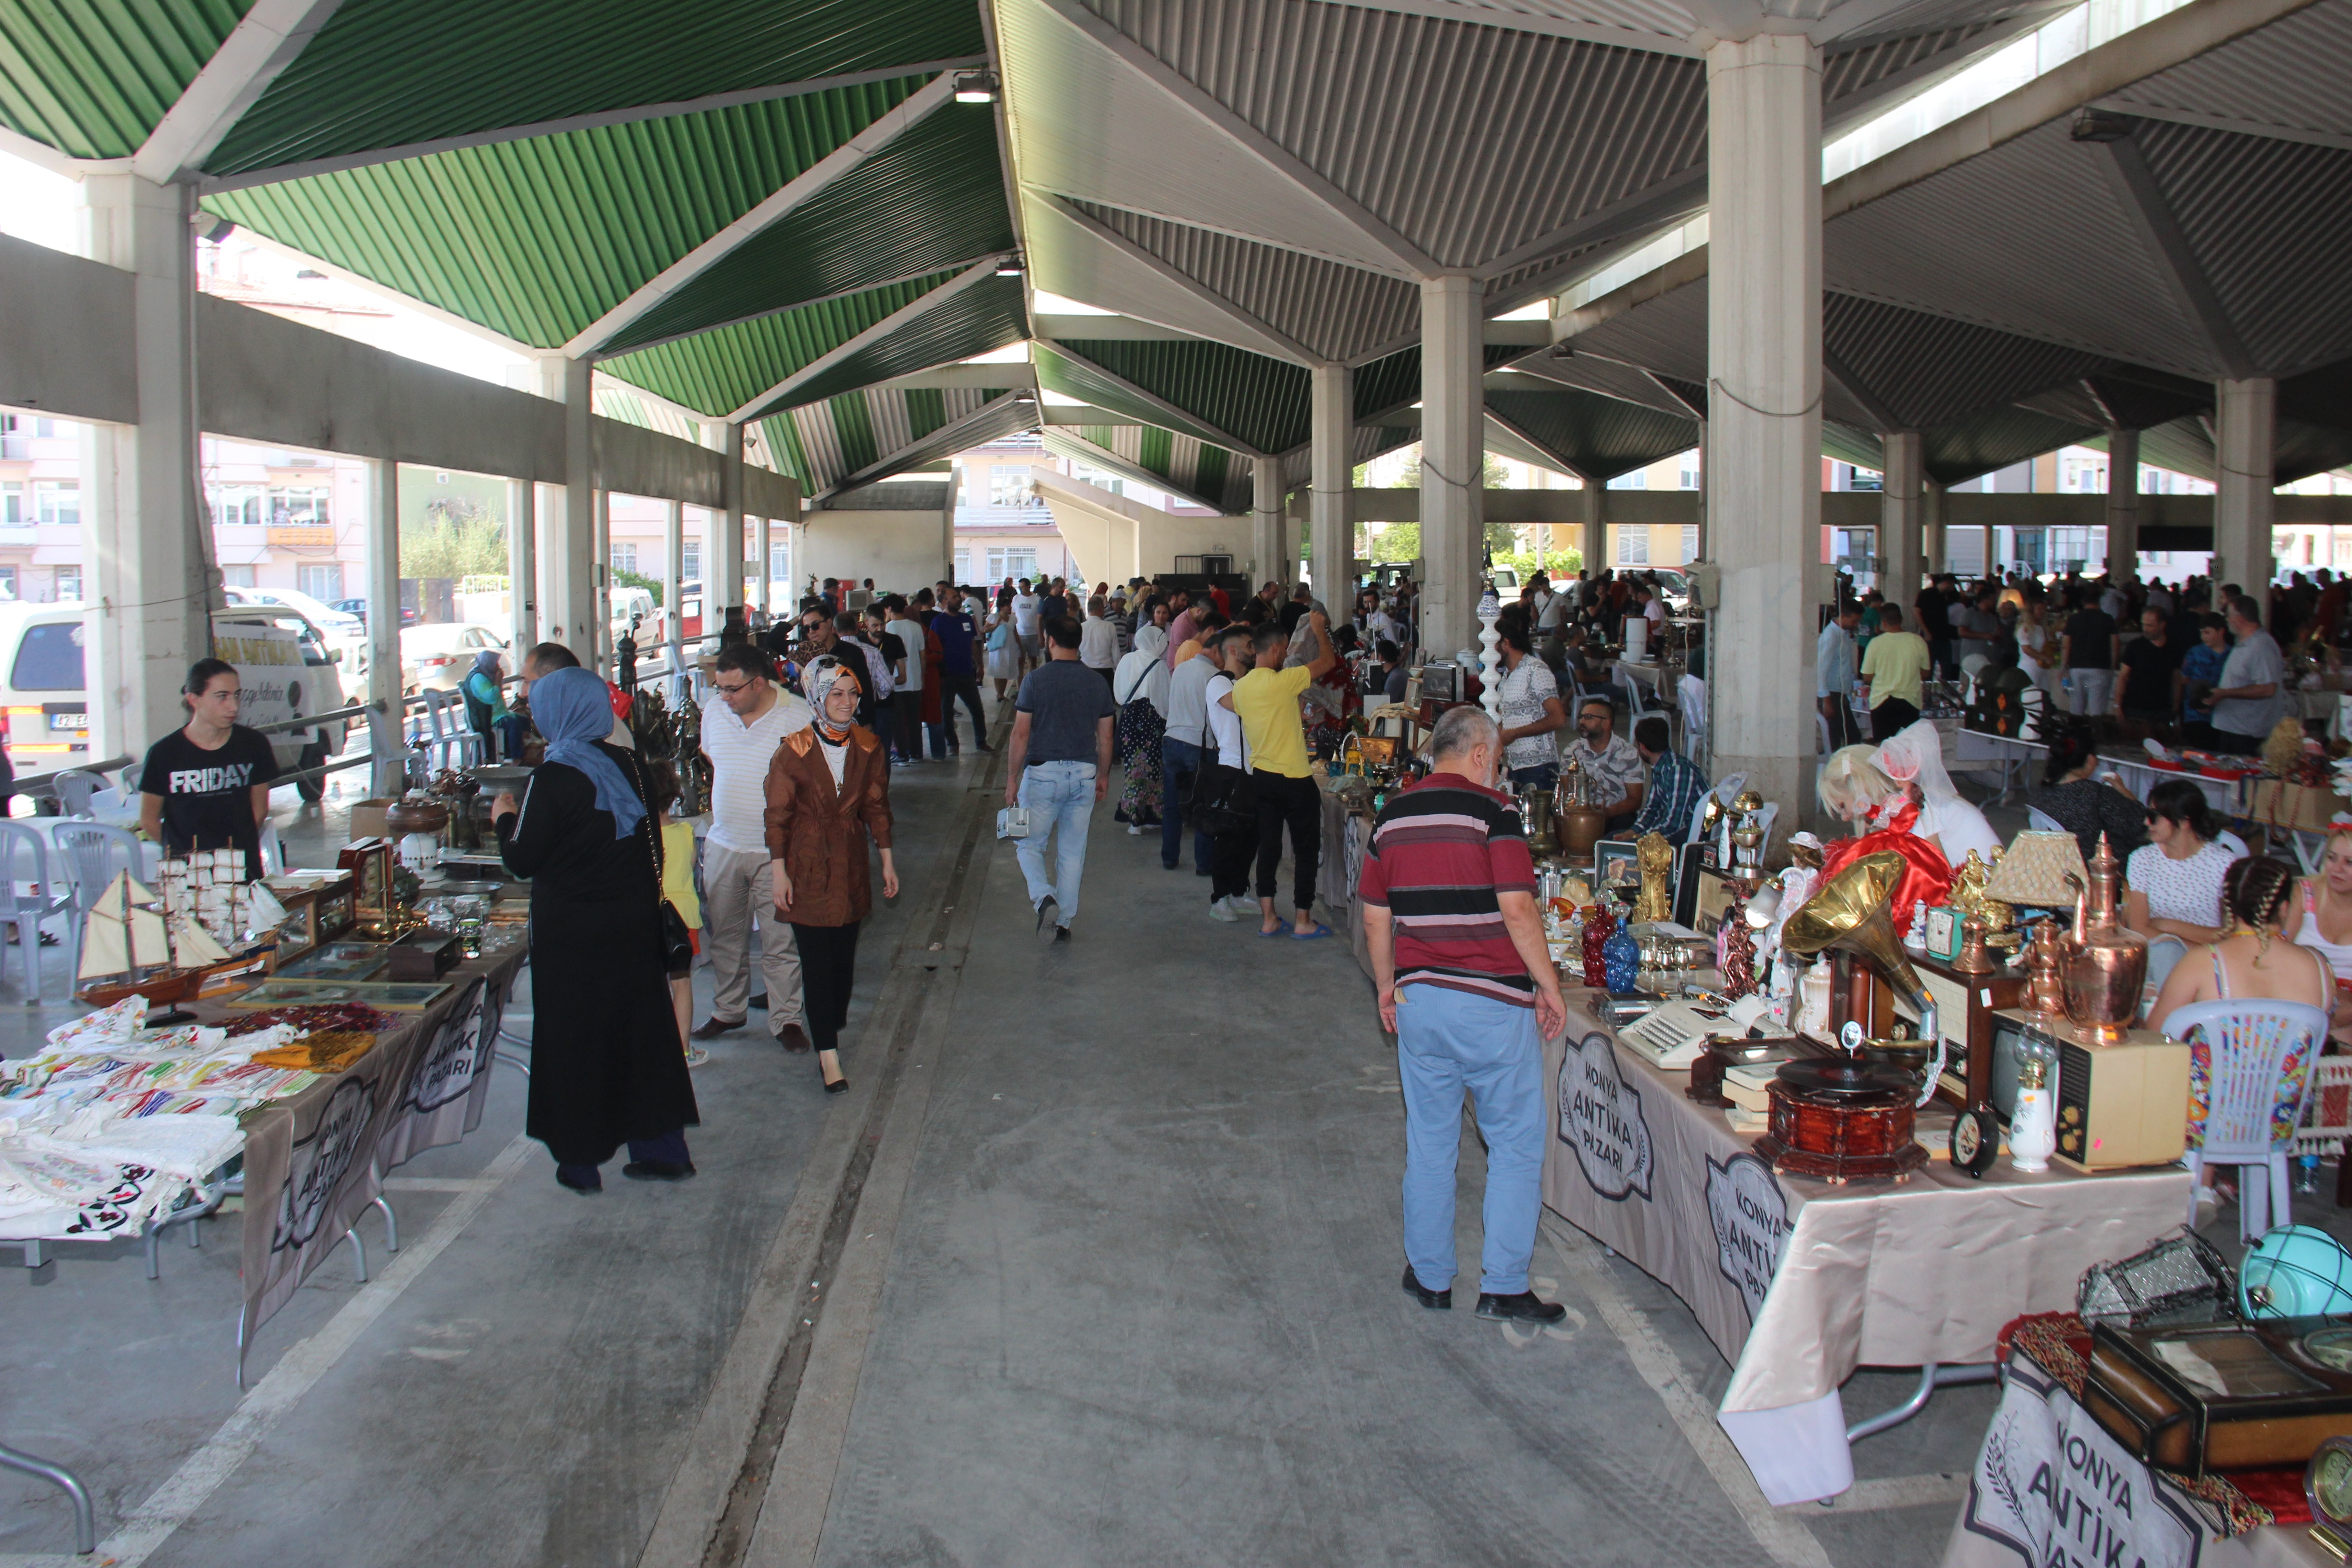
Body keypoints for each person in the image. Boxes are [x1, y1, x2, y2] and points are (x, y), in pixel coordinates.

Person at [1359, 705, 1569, 1326]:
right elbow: (1519, 910)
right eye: (1498, 759)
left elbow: (1376, 915)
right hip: (1492, 1006)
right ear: (1479, 753)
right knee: (1512, 1143)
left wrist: (1387, 986)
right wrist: (1549, 986)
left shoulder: (1391, 816)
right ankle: (1503, 1284)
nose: (1497, 771)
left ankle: (1429, 1276)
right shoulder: (1495, 813)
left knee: (1429, 1141)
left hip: (1420, 1003)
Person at [490, 667, 698, 1191]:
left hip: (574, 938)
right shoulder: (628, 763)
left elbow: (523, 858)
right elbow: (646, 839)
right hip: (630, 926)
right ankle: (662, 1150)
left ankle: (581, 1162)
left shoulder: (553, 777)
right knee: (641, 1035)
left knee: (575, 1041)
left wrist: (503, 817)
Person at [2149, 856, 2333, 1215]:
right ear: (2283, 907)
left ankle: (2184, 1187)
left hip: (2203, 1120)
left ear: (2227, 905)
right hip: (2276, 1119)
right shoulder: (2318, 967)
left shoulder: (2206, 961)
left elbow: (2155, 1034)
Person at [762, 655, 897, 1096]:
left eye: (853, 693)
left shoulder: (868, 746)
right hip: (806, 864)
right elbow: (777, 817)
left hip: (850, 862)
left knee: (842, 965)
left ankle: (829, 1022)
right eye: (836, 693)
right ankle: (828, 1055)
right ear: (817, 696)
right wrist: (779, 873)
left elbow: (876, 806)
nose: (846, 702)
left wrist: (887, 858)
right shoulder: (793, 750)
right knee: (816, 965)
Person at [692, 640, 813, 1050]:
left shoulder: (797, 715)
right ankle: (728, 1010)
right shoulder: (715, 712)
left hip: (775, 852)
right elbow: (712, 758)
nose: (722, 698)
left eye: (731, 690)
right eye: (719, 688)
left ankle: (786, 1020)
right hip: (724, 843)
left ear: (759, 684)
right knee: (726, 935)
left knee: (780, 941)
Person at [1004, 616, 1117, 944]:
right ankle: (1063, 923)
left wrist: (1012, 780)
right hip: (1084, 774)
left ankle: (1043, 898)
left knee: (1028, 844)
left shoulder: (1035, 681)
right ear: (1078, 642)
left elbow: (1021, 733)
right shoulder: (1097, 682)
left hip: (1041, 775)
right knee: (1072, 852)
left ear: (1049, 640)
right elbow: (1107, 738)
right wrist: (1105, 776)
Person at [1233, 612, 1339, 939]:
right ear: (1278, 650)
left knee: (1269, 848)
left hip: (1261, 777)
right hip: (1294, 778)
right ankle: (1304, 920)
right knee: (1306, 849)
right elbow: (1328, 661)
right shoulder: (1286, 680)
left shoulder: (1240, 688)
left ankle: (1269, 919)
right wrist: (1319, 629)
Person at [139, 659, 279, 881]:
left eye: (236, 695)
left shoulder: (254, 745)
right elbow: (148, 819)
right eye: (222, 697)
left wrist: (238, 845)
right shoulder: (164, 754)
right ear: (194, 699)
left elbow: (259, 809)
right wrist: (179, 851)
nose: (233, 706)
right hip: (188, 873)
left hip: (242, 867)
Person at [644, 762, 707, 1068]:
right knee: (681, 984)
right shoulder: (686, 833)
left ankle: (652, 1049)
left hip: (648, 919)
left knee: (649, 987)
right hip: (683, 920)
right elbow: (691, 868)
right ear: (674, 796)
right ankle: (683, 1051)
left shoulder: (639, 838)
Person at [2124, 779, 2239, 944]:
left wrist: (2168, 925)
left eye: (2154, 817)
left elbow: (2228, 933)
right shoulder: (2143, 859)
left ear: (2185, 822)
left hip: (2206, 960)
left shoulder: (2223, 862)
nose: (2147, 822)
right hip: (2163, 956)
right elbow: (2139, 929)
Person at [2024, 721, 2148, 864]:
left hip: (2057, 863)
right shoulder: (2096, 794)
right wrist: (2123, 790)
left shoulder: (2040, 793)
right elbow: (2141, 824)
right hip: (2097, 867)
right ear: (2090, 759)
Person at [1201, 625, 1259, 919]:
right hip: (1232, 769)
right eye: (1250, 645)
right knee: (1228, 838)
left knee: (1251, 837)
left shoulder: (1252, 682)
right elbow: (1240, 706)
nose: (1255, 650)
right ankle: (1219, 899)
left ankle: (1239, 891)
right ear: (1233, 651)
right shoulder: (1219, 683)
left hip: (1257, 768)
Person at [1160, 619, 1223, 876]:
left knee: (1173, 805)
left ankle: (1169, 858)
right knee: (1204, 807)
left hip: (1172, 740)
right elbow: (1216, 719)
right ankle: (1203, 864)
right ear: (1216, 652)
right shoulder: (1215, 677)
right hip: (1200, 745)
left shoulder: (1181, 669)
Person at [2208, 595, 2289, 755]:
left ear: (2239, 619)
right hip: (2233, 727)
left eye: (2229, 616)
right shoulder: (2243, 643)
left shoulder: (2261, 646)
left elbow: (2268, 689)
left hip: (2248, 732)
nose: (2227, 621)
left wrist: (2225, 694)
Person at [1491, 621, 1564, 791]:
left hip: (1540, 766)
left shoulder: (1535, 670)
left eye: (1492, 646)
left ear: (1506, 644)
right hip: (1516, 764)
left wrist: (1515, 734)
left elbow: (1559, 719)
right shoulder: (1506, 676)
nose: (1489, 652)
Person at [1112, 622, 1168, 834]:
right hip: (1151, 721)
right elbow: (1164, 701)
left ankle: (1135, 819)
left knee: (1133, 769)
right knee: (1153, 769)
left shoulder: (1127, 659)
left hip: (1129, 718)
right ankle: (1150, 816)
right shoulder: (1159, 665)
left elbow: (1119, 692)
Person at [1561, 696, 1645, 834]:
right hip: (1581, 814)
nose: (1582, 721)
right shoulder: (1572, 751)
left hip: (1615, 814)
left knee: (1624, 823)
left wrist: (1607, 812)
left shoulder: (1627, 753)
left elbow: (1635, 800)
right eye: (1581, 717)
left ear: (1606, 724)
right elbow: (1567, 793)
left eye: (1588, 717)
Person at [930, 585, 991, 755]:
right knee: (946, 711)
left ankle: (981, 741)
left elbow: (973, 643)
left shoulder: (966, 619)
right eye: (954, 597)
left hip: (966, 672)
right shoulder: (938, 622)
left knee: (977, 709)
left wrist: (979, 664)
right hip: (948, 674)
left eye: (958, 596)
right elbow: (935, 648)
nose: (958, 599)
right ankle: (952, 744)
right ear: (944, 602)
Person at [1858, 602, 1930, 738]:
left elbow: (1867, 677)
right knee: (1907, 747)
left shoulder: (1875, 643)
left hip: (1881, 701)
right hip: (1911, 701)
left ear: (1883, 622)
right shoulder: (1918, 641)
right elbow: (1925, 673)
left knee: (1883, 747)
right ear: (1901, 620)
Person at [2292, 826, 2352, 985]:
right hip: (2302, 991)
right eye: (2332, 858)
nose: (2337, 869)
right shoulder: (2304, 893)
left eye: (2349, 862)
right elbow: (2279, 950)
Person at [1628, 717, 1705, 841]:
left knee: (1634, 848)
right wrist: (1632, 832)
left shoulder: (1679, 770)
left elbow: (1674, 823)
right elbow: (1652, 808)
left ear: (1642, 747)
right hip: (1678, 828)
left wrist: (1641, 838)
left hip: (1694, 833)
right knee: (1614, 839)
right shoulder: (1661, 767)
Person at [2117, 606, 2183, 739]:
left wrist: (2176, 706)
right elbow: (2123, 677)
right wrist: (2117, 705)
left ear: (2162, 625)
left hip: (2162, 710)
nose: (2145, 629)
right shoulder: (2135, 646)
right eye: (2144, 625)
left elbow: (2177, 680)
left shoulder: (2174, 648)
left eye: (2150, 626)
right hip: (2135, 709)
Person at [882, 596, 930, 764]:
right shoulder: (916, 627)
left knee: (898, 721)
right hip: (915, 680)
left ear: (888, 609)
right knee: (914, 719)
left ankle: (902, 754)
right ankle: (917, 753)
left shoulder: (888, 628)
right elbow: (923, 655)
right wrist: (922, 677)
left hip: (896, 682)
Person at [2061, 591, 2121, 721]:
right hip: (2100, 669)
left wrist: (2064, 667)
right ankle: (2096, 734)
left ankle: (2075, 735)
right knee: (2097, 709)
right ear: (2099, 602)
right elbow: (2115, 646)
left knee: (2076, 707)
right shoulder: (2108, 619)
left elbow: (2066, 646)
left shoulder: (2074, 619)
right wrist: (2113, 666)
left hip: (2076, 668)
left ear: (2083, 602)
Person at [459, 650, 526, 760]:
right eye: (494, 662)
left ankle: (521, 753)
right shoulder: (478, 677)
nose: (497, 666)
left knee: (524, 721)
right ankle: (514, 757)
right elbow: (492, 698)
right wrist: (498, 681)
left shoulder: (488, 674)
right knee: (514, 725)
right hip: (488, 717)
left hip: (499, 714)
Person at [2180, 612, 2231, 745]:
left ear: (2221, 632)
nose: (2204, 637)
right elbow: (2185, 680)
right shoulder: (2194, 653)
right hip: (2195, 716)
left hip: (2224, 715)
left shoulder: (2232, 655)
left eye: (2208, 633)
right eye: (2202, 633)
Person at [1818, 599, 1862, 750]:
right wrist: (1826, 700)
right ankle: (1838, 770)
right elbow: (1821, 669)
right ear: (1844, 616)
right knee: (1837, 738)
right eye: (1854, 621)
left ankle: (1845, 770)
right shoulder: (1831, 636)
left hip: (1840, 693)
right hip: (1832, 694)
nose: (1856, 624)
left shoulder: (1843, 635)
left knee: (1851, 737)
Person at [984, 587, 1021, 701]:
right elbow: (985, 630)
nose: (1010, 608)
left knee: (1006, 670)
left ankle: (1002, 693)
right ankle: (999, 694)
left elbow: (1015, 632)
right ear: (1001, 607)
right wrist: (995, 625)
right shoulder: (994, 617)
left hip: (1010, 647)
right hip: (998, 648)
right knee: (998, 670)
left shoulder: (1013, 618)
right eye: (1007, 606)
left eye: (1010, 605)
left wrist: (1020, 646)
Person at [1080, 594, 1120, 690]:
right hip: (1106, 671)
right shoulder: (1110, 627)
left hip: (1086, 668)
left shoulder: (1081, 627)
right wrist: (1117, 671)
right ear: (1101, 609)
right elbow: (1116, 653)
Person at [1010, 578, 1043, 671]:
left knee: (1033, 660)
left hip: (1033, 634)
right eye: (1019, 587)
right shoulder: (1016, 598)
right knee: (1020, 661)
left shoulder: (1037, 599)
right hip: (1020, 634)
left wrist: (1041, 635)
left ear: (1028, 587)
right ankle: (1020, 683)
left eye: (1023, 587)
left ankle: (1031, 681)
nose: (1021, 589)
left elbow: (1040, 618)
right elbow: (1013, 615)